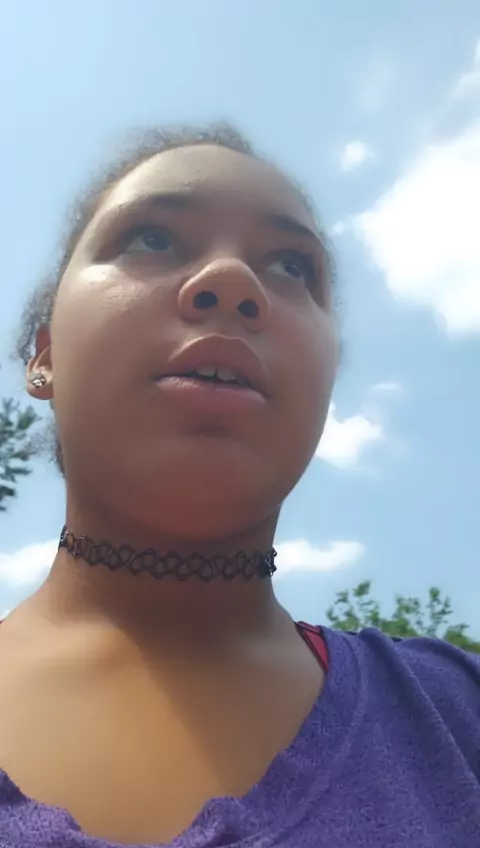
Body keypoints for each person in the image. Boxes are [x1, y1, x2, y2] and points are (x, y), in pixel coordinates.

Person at [0, 124, 479, 848]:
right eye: (153, 238)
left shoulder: (458, 717)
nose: (233, 281)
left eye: (291, 265)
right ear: (45, 355)